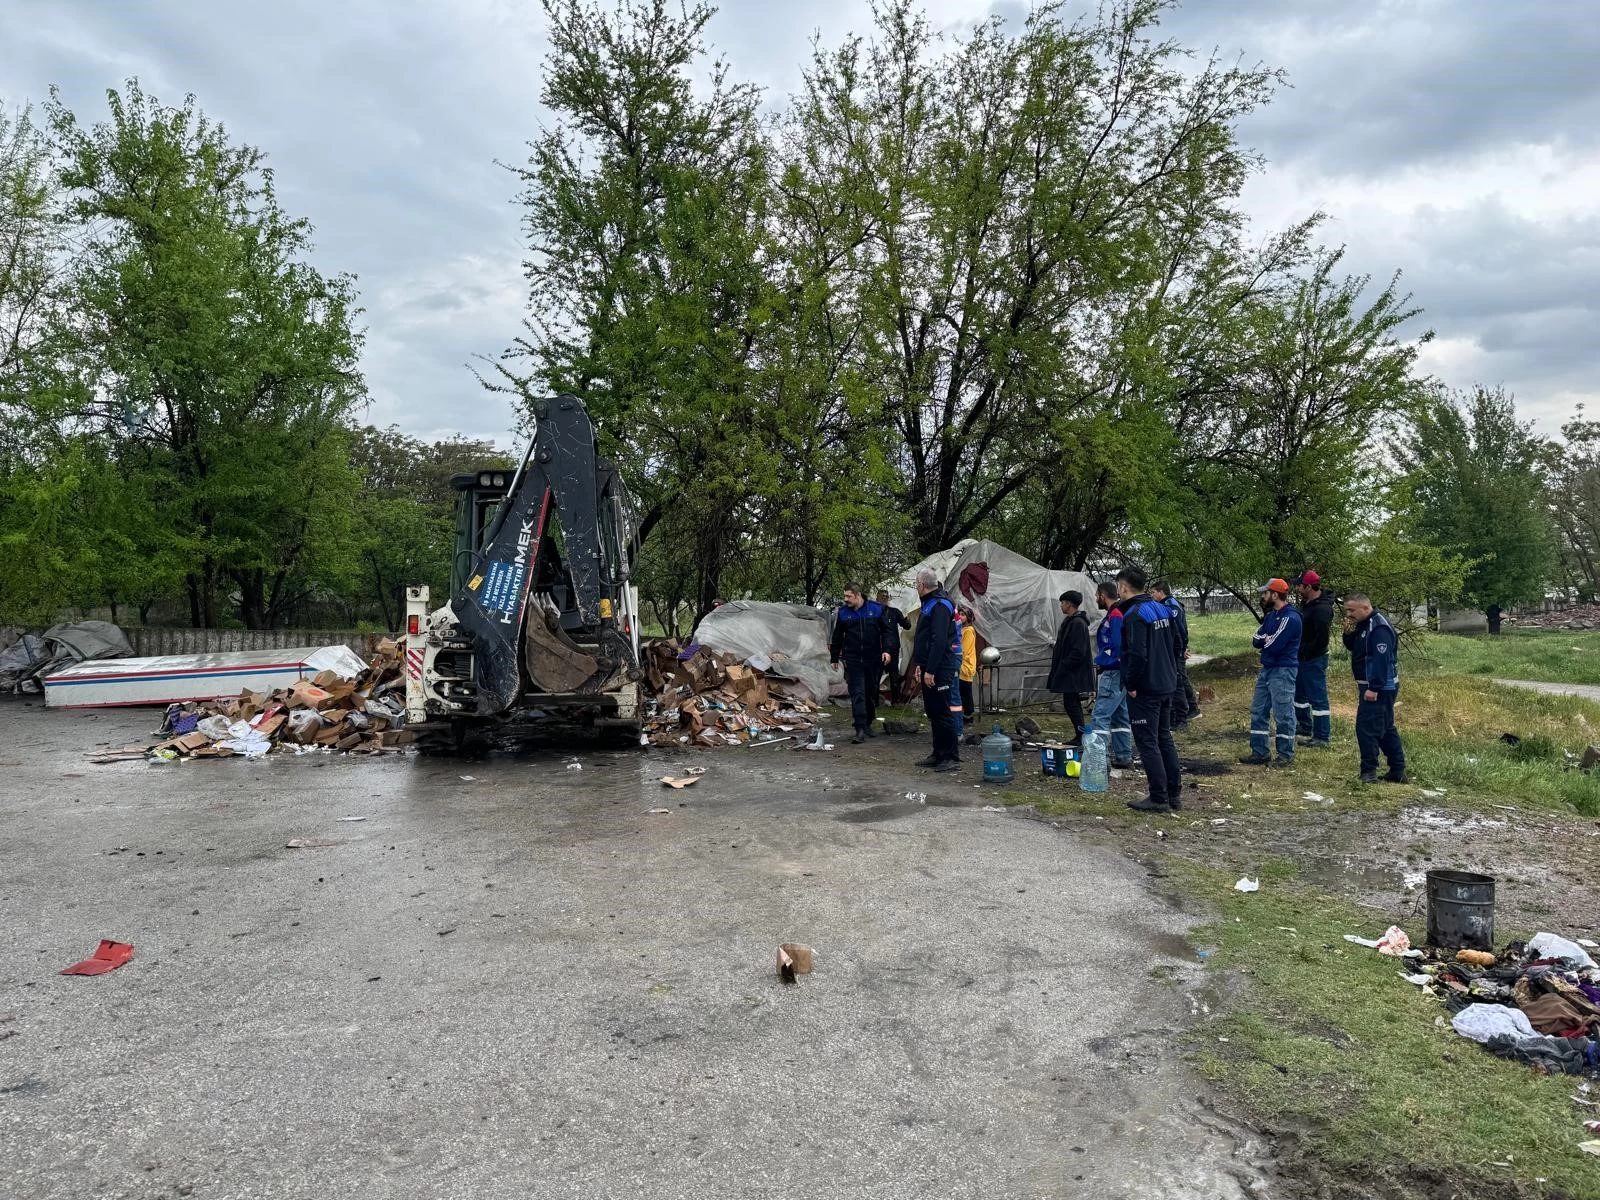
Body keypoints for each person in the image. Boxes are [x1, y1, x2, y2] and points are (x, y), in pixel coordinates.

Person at [1117, 566, 1184, 814]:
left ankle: (1158, 797)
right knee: (1164, 737)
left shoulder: (1134, 615)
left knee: (1148, 742)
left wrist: (1132, 684)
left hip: (1146, 688)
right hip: (1167, 683)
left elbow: (1137, 654)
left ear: (1123, 587)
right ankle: (1174, 793)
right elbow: (1178, 643)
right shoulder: (1162, 609)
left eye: (1118, 587)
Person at [1343, 593, 1407, 784]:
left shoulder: (1378, 628)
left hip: (1379, 687)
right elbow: (1356, 649)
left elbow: (1381, 660)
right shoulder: (1364, 624)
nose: (1349, 614)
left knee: (1366, 728)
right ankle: (1397, 770)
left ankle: (1369, 772)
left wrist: (1374, 687)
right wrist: (1347, 634)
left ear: (1365, 608)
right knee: (1385, 727)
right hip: (1371, 685)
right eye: (1347, 610)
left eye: (1352, 610)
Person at [1240, 578, 1302, 767]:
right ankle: (1259, 752)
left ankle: (1285, 754)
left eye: (1265, 593)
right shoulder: (1271, 616)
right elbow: (1257, 638)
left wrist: (1266, 641)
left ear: (1275, 595)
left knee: (1283, 713)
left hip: (1283, 670)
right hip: (1267, 668)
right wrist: (1265, 640)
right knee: (1258, 710)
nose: (1263, 596)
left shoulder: (1290, 618)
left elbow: (1274, 645)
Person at [829, 584, 893, 744]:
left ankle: (868, 723)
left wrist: (887, 650)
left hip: (873, 658)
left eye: (848, 596)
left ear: (858, 595)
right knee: (857, 693)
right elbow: (837, 636)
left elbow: (887, 631)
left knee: (871, 693)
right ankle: (859, 728)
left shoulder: (876, 610)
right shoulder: (843, 613)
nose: (845, 599)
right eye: (845, 596)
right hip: (853, 659)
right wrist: (834, 658)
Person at [911, 568, 962, 772]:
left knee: (942, 711)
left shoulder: (940, 604)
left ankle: (950, 756)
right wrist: (920, 666)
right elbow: (924, 639)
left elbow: (939, 640)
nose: (916, 586)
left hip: (941, 666)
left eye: (916, 583)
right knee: (932, 711)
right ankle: (938, 752)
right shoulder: (929, 603)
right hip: (929, 665)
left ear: (922, 585)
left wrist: (930, 670)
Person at [1088, 581, 1135, 769]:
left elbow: (1117, 645)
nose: (1094, 599)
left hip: (1113, 672)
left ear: (1102, 595)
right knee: (1119, 716)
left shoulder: (1115, 614)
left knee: (1100, 715)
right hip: (1120, 672)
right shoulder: (1117, 612)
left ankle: (1099, 759)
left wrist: (1105, 660)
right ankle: (1124, 756)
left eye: (1096, 595)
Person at [1149, 580, 1200, 727]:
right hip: (1172, 650)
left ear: (1160, 592)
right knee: (1179, 680)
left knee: (1178, 681)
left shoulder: (1171, 606)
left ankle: (1184, 713)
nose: (1152, 595)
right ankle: (1189, 709)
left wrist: (1182, 648)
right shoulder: (1165, 605)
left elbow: (1179, 630)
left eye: (1153, 592)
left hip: (1175, 651)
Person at [1047, 590, 1094, 745]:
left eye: (1063, 602)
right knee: (1070, 704)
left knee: (1072, 704)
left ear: (1069, 604)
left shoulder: (1077, 623)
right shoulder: (1070, 621)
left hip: (1074, 673)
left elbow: (1078, 651)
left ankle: (1081, 735)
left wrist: (1065, 665)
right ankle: (1079, 734)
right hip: (1069, 672)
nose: (1061, 605)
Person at [1294, 570, 1334, 748]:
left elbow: (1321, 640)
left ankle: (1322, 736)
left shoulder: (1322, 609)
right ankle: (1304, 726)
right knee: (1299, 694)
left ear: (1308, 587)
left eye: (1299, 585)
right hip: (1301, 658)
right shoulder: (1306, 604)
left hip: (1314, 659)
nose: (1296, 588)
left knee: (1317, 697)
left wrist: (1303, 649)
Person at [877, 589, 912, 702]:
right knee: (880, 673)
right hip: (881, 646)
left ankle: (894, 700)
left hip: (889, 646)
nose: (884, 599)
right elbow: (906, 625)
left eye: (885, 597)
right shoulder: (874, 613)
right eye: (882, 597)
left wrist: (908, 620)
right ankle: (879, 700)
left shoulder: (894, 612)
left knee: (891, 674)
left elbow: (906, 626)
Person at [958, 606, 978, 723]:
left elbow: (964, 650)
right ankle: (965, 714)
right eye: (959, 614)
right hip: (962, 663)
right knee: (963, 692)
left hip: (965, 665)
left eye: (963, 615)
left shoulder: (969, 631)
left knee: (965, 692)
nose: (960, 617)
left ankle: (968, 715)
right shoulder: (961, 629)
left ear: (968, 617)